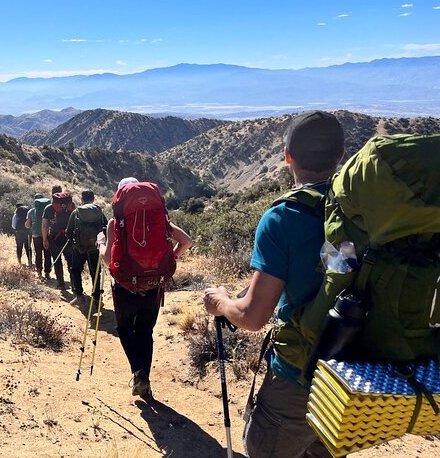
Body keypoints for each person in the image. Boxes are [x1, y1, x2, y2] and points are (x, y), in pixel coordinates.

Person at [202, 111, 345, 458]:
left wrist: (219, 301)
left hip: (299, 375)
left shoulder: (282, 218)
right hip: (353, 376)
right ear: (341, 156)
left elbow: (252, 317)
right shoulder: (361, 213)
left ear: (288, 157)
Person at [98, 177, 193, 400]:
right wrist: (172, 257)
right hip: (154, 285)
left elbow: (107, 259)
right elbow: (187, 241)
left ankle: (138, 372)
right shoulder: (159, 219)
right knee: (145, 332)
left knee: (124, 329)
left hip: (125, 287)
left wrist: (101, 242)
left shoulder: (115, 223)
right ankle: (145, 381)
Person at [65, 190, 107, 299]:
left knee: (75, 270)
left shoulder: (76, 212)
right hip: (95, 247)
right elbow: (106, 228)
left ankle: (79, 295)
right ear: (93, 199)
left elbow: (68, 232)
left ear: (82, 199)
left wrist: (74, 243)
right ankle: (97, 296)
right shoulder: (99, 212)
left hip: (79, 248)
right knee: (95, 272)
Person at [42, 185, 74, 289]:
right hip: (68, 238)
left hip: (54, 238)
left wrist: (45, 239)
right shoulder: (71, 206)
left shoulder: (49, 208)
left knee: (57, 260)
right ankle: (74, 284)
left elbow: (44, 225)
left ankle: (61, 284)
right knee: (70, 261)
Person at [26, 193, 52, 277]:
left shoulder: (31, 211)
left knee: (38, 253)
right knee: (47, 253)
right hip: (47, 235)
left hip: (36, 235)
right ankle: (47, 272)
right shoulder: (48, 210)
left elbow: (28, 225)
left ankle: (39, 271)